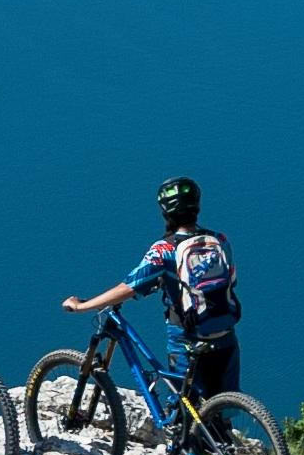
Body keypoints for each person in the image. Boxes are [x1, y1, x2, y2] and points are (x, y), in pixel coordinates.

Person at [59, 175, 244, 433]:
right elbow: (227, 281)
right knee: (217, 407)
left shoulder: (164, 250)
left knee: (185, 406)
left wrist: (83, 306)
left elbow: (129, 287)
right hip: (225, 334)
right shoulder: (220, 240)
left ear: (165, 212)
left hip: (187, 338)